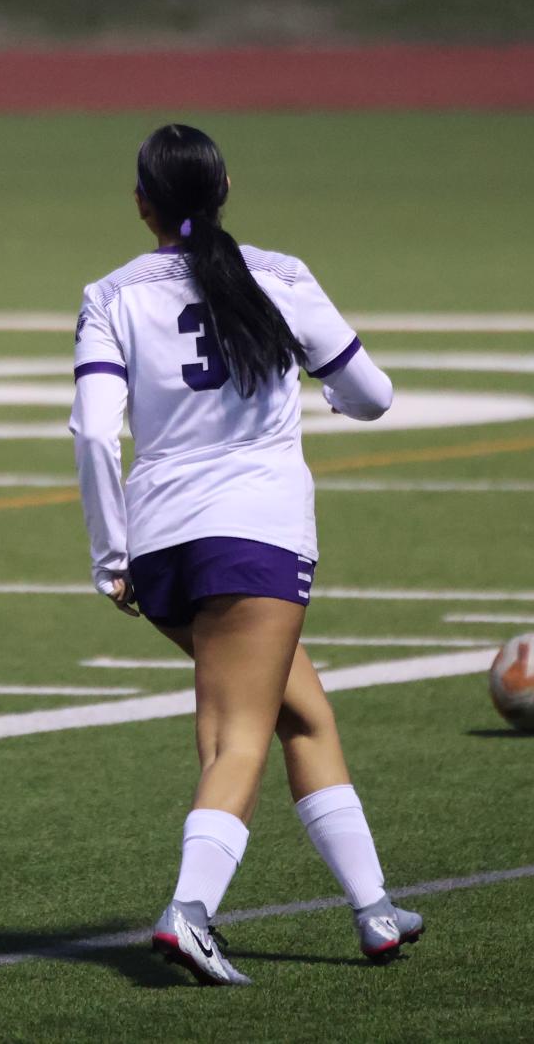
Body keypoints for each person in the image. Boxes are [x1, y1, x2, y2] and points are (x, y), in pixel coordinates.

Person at [69, 123, 418, 986]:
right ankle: (188, 914)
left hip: (159, 545)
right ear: (224, 189)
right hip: (254, 537)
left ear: (142, 204)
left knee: (303, 716)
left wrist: (110, 554)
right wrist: (332, 397)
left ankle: (374, 907)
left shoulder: (108, 295)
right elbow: (371, 395)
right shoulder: (280, 275)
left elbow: (94, 431)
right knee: (238, 737)